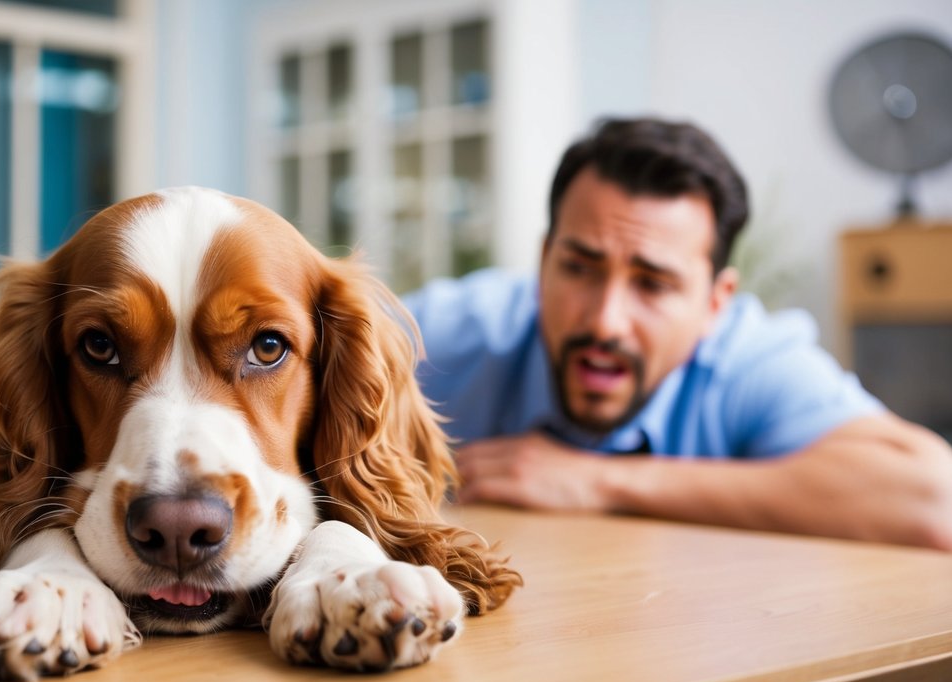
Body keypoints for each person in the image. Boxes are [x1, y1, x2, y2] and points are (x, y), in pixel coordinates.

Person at [403, 117, 952, 551]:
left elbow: (935, 501)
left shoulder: (747, 361)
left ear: (716, 303)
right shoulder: (450, 334)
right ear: (544, 260)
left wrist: (600, 482)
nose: (604, 321)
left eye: (654, 284)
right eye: (579, 267)